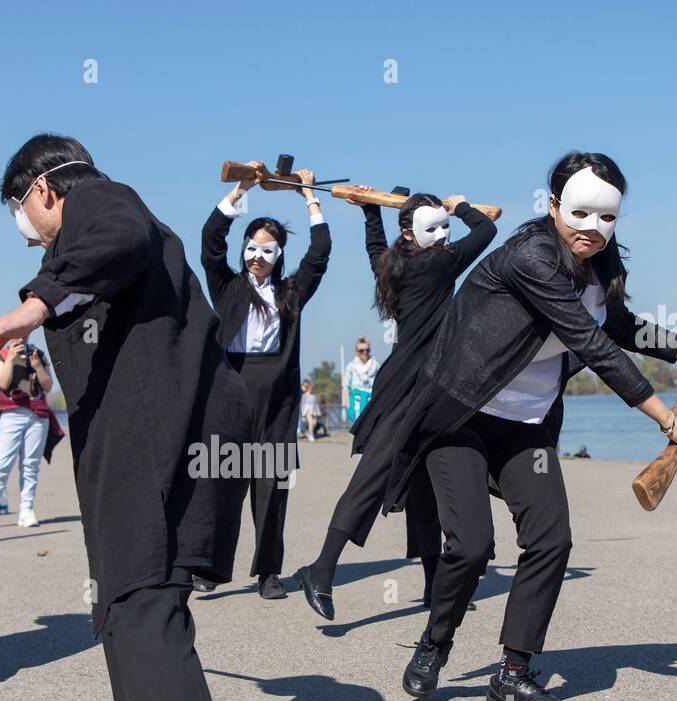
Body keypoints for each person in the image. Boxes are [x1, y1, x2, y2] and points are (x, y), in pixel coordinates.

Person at [0, 134, 263, 701]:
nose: (28, 227)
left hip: (161, 426)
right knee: (129, 601)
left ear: (45, 187)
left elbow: (116, 233)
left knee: (138, 599)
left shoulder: (97, 198)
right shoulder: (107, 220)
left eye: (23, 211)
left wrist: (33, 302)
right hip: (170, 421)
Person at [381, 152, 677, 701]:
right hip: (459, 416)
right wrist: (665, 419)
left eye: (607, 219)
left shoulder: (600, 260)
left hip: (526, 426)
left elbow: (616, 323)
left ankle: (512, 672)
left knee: (552, 540)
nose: (593, 230)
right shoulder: (530, 257)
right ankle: (435, 642)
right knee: (473, 545)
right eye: (580, 214)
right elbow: (589, 343)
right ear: (553, 206)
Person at [297, 190, 498, 620]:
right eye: (436, 227)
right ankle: (320, 569)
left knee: (425, 487)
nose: (445, 236)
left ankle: (431, 586)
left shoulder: (393, 265)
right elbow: (487, 229)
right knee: (371, 478)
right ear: (409, 233)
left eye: (446, 227)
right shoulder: (440, 264)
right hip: (409, 389)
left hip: (425, 388)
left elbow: (375, 248)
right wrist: (461, 206)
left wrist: (372, 210)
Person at [200, 161, 331, 600]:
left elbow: (320, 254)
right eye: (252, 249)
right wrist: (239, 192)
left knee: (271, 490)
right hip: (231, 389)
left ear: (279, 256)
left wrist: (310, 199)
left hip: (276, 395)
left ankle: (268, 572)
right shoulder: (226, 286)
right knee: (222, 484)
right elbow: (209, 241)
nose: (258, 257)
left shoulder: (290, 293)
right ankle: (208, 565)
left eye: (268, 250)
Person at [0, 339, 62, 529]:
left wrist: (37, 366)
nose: (20, 337)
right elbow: (3, 382)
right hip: (10, 414)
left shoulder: (38, 354)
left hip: (38, 415)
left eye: (24, 333)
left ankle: (26, 510)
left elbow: (47, 386)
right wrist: (12, 358)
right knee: (1, 464)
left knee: (30, 465)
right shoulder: (1, 355)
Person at [342, 338, 378, 424]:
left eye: (367, 350)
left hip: (371, 400)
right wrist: (347, 405)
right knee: (359, 426)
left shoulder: (376, 365)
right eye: (361, 350)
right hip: (356, 402)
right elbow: (345, 387)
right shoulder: (351, 366)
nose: (365, 352)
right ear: (356, 352)